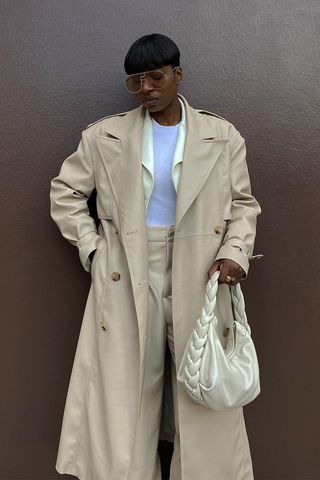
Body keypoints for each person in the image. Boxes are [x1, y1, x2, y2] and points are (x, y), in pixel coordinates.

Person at [50, 33, 261, 480]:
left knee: (200, 380)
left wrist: (235, 252)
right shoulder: (104, 136)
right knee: (127, 387)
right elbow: (65, 193)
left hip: (200, 270)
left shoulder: (221, 136)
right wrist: (92, 249)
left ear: (177, 75)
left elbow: (243, 204)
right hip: (126, 270)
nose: (146, 88)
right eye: (136, 80)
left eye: (155, 76)